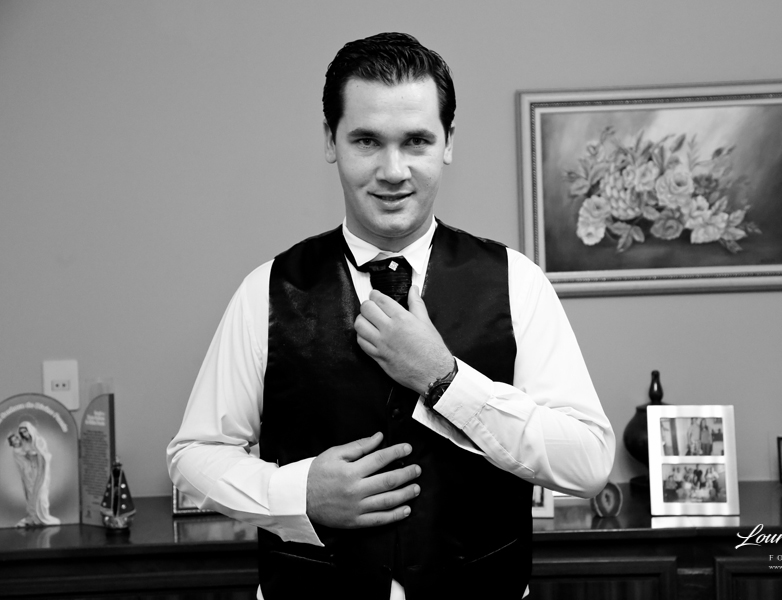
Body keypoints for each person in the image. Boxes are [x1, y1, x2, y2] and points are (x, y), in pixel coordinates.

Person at [167, 32, 614, 600]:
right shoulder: (267, 291)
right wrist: (298, 492)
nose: (393, 170)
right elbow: (194, 456)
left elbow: (588, 461)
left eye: (417, 141)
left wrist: (445, 380)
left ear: (448, 142)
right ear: (330, 141)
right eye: (367, 141)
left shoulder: (517, 282)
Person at [12, 422, 60, 527]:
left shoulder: (40, 441)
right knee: (31, 494)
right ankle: (33, 517)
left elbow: (46, 455)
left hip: (40, 470)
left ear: (30, 430)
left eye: (25, 431)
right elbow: (20, 455)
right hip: (29, 472)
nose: (24, 434)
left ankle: (43, 516)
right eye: (22, 433)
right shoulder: (23, 443)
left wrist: (37, 454)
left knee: (41, 495)